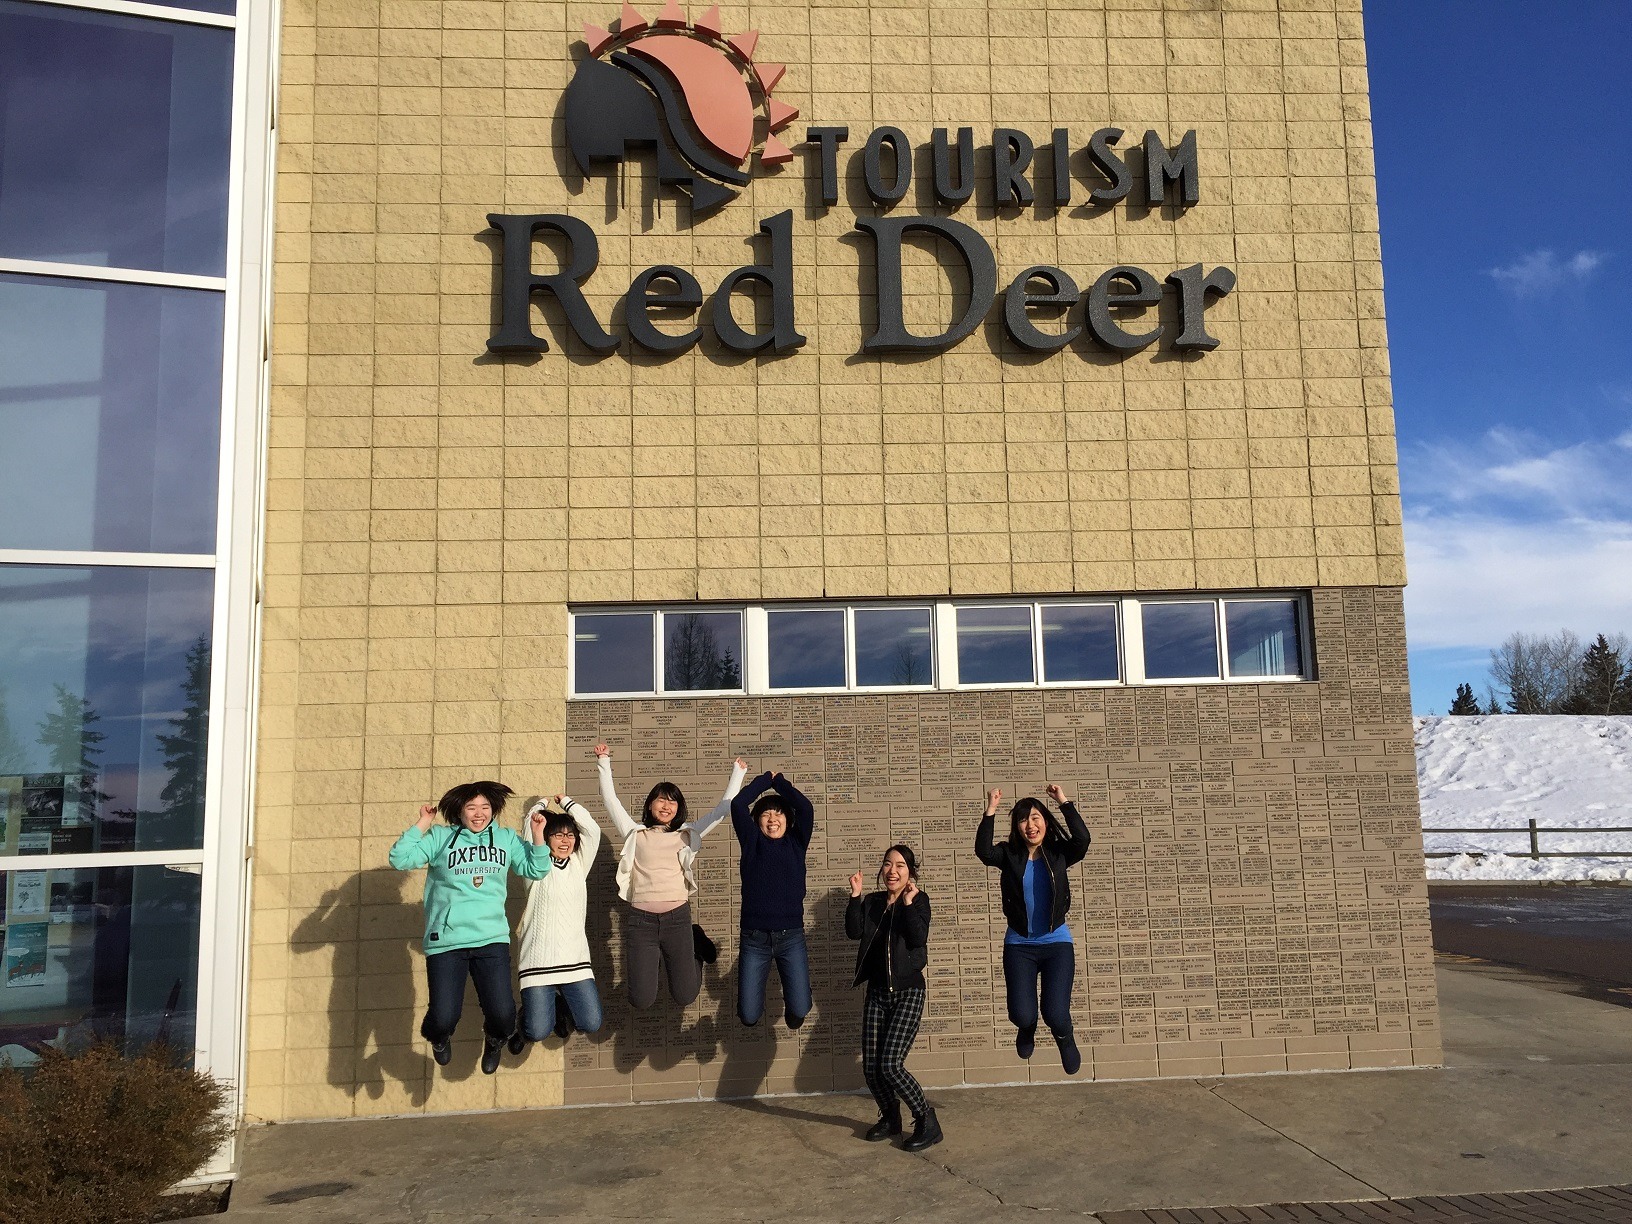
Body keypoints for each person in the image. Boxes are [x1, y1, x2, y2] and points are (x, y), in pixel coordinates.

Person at [388, 781, 551, 1074]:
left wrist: (538, 837)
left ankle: (495, 1039)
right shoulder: (440, 837)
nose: (479, 814)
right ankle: (439, 1039)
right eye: (471, 808)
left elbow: (536, 869)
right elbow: (400, 859)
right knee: (442, 1017)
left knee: (504, 1016)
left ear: (494, 810)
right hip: (446, 942)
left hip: (491, 939)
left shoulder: (504, 839)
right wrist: (423, 822)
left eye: (485, 807)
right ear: (459, 812)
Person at [595, 743, 747, 1009]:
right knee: (640, 1000)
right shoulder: (635, 833)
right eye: (661, 799)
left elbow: (721, 812)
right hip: (641, 923)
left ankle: (696, 947)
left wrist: (738, 774)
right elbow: (611, 801)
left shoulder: (686, 834)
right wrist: (604, 761)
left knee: (685, 995)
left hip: (677, 920)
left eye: (672, 801)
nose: (666, 806)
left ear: (679, 808)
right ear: (651, 804)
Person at [974, 783, 1092, 1075]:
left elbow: (1083, 839)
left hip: (1056, 944)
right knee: (1022, 1013)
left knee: (1055, 1012)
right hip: (1019, 946)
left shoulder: (1058, 853)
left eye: (1036, 817)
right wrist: (990, 810)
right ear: (1017, 826)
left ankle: (1064, 1037)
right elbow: (983, 851)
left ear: (1045, 822)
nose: (1030, 824)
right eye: (1023, 819)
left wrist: (1063, 801)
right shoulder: (1008, 855)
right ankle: (1027, 1028)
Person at [845, 844, 940, 1151]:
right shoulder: (873, 902)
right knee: (871, 1067)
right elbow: (853, 930)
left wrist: (909, 904)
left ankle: (926, 1119)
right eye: (887, 865)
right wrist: (856, 896)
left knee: (890, 1064)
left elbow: (917, 938)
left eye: (900, 865)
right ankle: (890, 1118)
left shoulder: (919, 901)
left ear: (910, 872)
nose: (892, 871)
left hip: (908, 991)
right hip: (876, 992)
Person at [512, 791, 604, 1048]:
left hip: (574, 961)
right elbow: (531, 825)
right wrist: (541, 804)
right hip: (537, 963)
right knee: (538, 1030)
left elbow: (592, 830)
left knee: (591, 1022)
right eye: (558, 835)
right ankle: (522, 1022)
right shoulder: (535, 865)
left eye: (570, 835)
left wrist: (566, 802)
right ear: (547, 838)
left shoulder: (579, 863)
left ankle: (560, 1003)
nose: (565, 841)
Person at [730, 770, 815, 1029]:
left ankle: (794, 1008)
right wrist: (764, 780)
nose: (772, 819)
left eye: (778, 813)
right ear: (757, 821)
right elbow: (737, 804)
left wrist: (780, 783)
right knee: (748, 1016)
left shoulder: (797, 843)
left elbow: (805, 807)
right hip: (755, 939)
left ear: (788, 820)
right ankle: (751, 1006)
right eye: (766, 814)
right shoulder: (751, 841)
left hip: (791, 937)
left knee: (800, 1009)